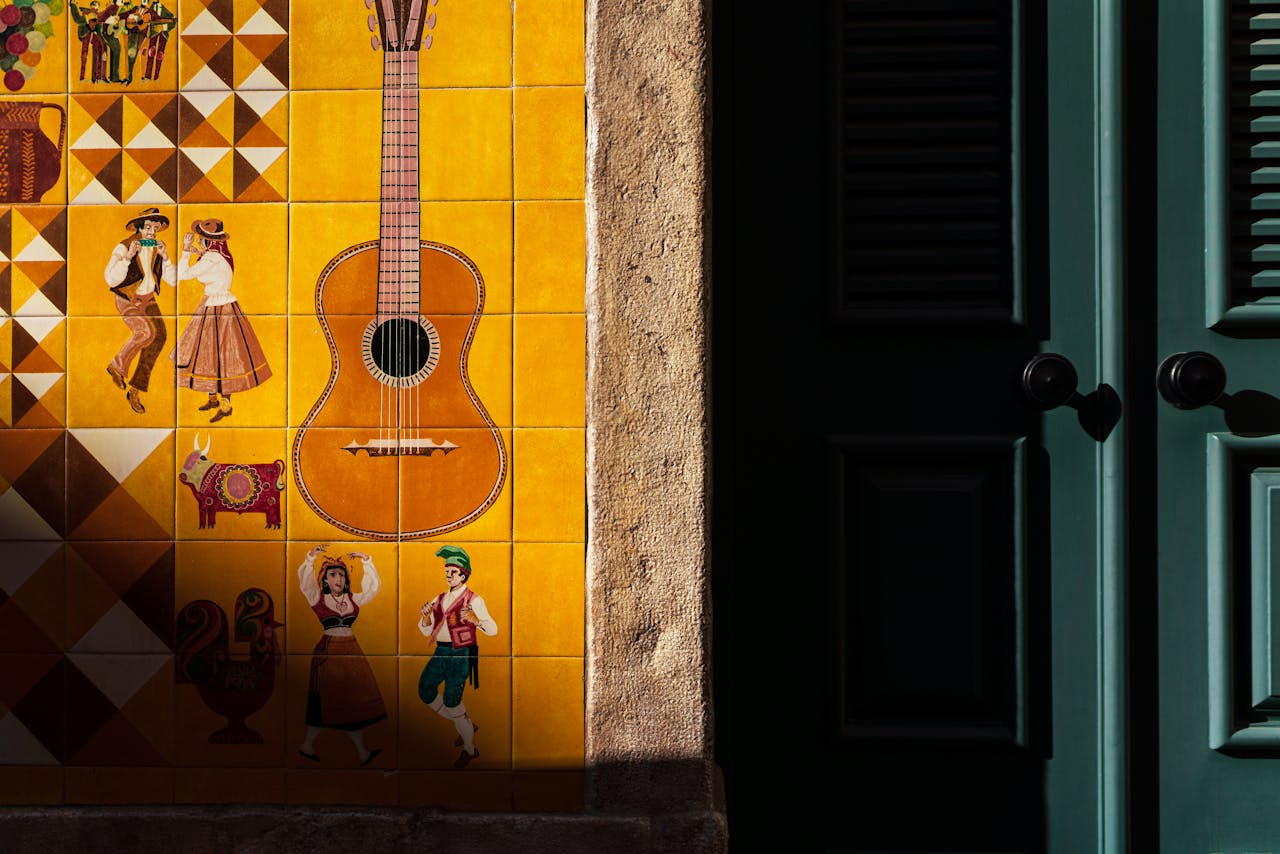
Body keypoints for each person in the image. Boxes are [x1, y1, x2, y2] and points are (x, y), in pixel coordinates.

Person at [172, 219, 273, 423]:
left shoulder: (211, 258)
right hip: (219, 304)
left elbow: (183, 274)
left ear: (209, 241)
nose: (200, 241)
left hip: (217, 306)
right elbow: (211, 265)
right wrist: (200, 252)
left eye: (202, 239)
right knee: (210, 354)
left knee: (221, 357)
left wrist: (185, 250)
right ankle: (213, 399)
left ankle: (226, 406)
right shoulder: (220, 255)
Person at [297, 545, 386, 765]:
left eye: (341, 575)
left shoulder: (353, 598)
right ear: (325, 579)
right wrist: (311, 558)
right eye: (333, 574)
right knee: (328, 702)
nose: (338, 578)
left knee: (351, 703)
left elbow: (372, 588)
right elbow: (305, 583)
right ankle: (310, 745)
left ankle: (360, 752)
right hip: (329, 652)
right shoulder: (317, 598)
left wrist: (367, 561)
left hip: (352, 652)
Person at [418, 545, 498, 768]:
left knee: (452, 702)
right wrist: (425, 617)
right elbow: (426, 630)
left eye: (452, 572)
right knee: (425, 689)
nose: (448, 575)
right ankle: (466, 724)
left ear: (463, 575)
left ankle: (470, 749)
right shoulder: (439, 598)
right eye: (447, 571)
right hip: (440, 652)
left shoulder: (474, 599)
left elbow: (493, 629)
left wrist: (475, 620)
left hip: (461, 654)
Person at [105, 207, 175, 414]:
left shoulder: (158, 248)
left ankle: (135, 390)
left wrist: (166, 257)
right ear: (139, 228)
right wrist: (128, 257)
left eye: (155, 228)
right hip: (128, 299)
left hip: (148, 299)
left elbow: (173, 281)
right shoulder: (123, 246)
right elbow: (111, 279)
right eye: (148, 228)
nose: (152, 233)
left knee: (159, 337)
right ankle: (116, 365)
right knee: (145, 333)